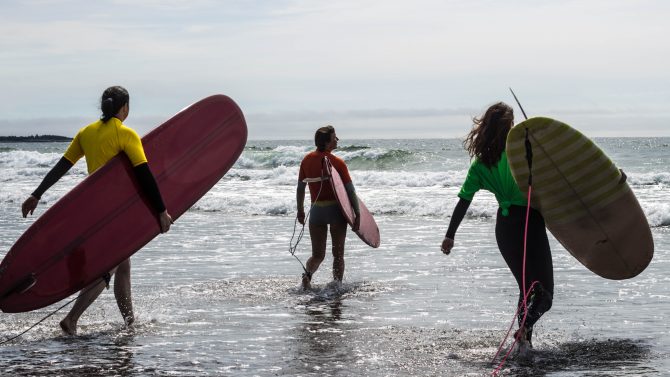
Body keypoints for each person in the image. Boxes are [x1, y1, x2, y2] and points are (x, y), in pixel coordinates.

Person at [21, 86, 173, 335]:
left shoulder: (86, 133)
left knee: (123, 266)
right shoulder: (125, 134)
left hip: (93, 210)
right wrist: (161, 211)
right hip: (115, 212)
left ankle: (130, 323)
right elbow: (144, 175)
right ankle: (72, 319)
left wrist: (37, 194)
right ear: (125, 107)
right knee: (110, 265)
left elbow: (62, 166)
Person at [440, 102, 553, 353]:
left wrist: (450, 235)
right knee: (544, 295)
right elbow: (560, 173)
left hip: (505, 227)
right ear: (510, 126)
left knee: (526, 291)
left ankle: (525, 346)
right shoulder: (524, 151)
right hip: (529, 223)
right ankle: (525, 331)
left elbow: (464, 199)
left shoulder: (481, 162)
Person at [296, 125, 360, 290]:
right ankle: (337, 286)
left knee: (317, 255)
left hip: (316, 211)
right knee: (338, 255)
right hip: (335, 211)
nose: (337, 140)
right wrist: (357, 213)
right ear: (327, 142)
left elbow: (300, 188)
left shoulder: (306, 160)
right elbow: (349, 190)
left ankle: (307, 276)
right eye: (334, 138)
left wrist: (300, 211)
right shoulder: (337, 162)